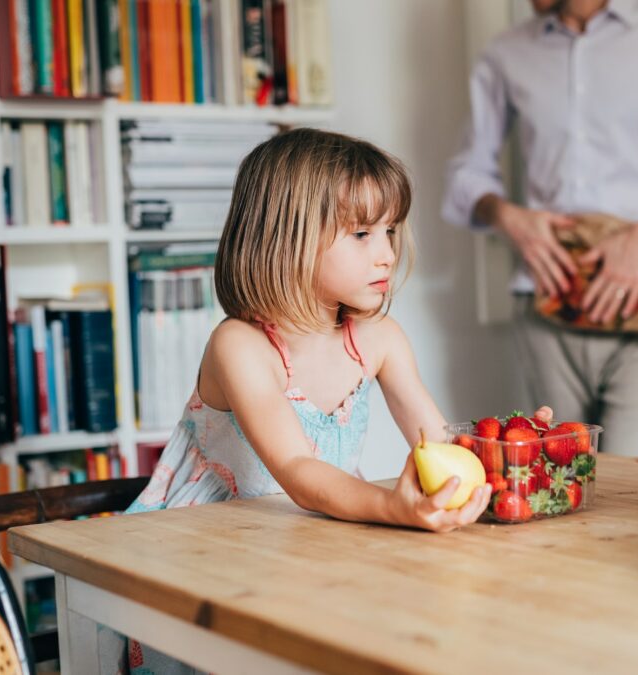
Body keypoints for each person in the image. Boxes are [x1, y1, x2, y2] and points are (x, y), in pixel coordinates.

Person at [110, 128, 552, 674]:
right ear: (285, 238)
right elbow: (298, 470)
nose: (387, 253)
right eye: (362, 233)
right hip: (205, 564)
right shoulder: (241, 345)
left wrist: (514, 446)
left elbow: (439, 441)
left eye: (390, 231)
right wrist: (392, 507)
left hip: (309, 544)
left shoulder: (379, 337)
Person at [442, 0, 638, 460]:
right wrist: (510, 218)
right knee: (559, 481)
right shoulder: (508, 52)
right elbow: (467, 172)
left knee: (634, 491)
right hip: (548, 306)